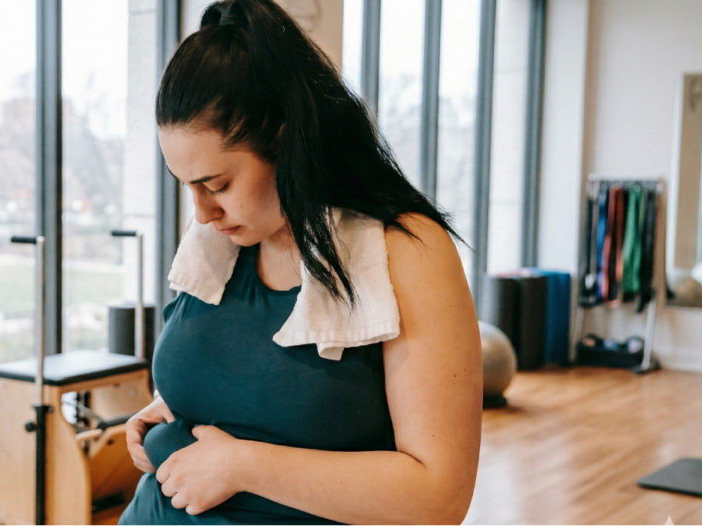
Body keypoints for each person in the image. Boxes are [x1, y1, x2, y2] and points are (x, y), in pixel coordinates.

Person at [118, 0, 482, 524]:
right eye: (188, 186)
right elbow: (244, 381)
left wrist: (243, 466)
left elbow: (437, 498)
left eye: (217, 184)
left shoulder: (407, 251)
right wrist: (171, 408)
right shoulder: (223, 234)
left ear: (286, 142)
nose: (201, 210)